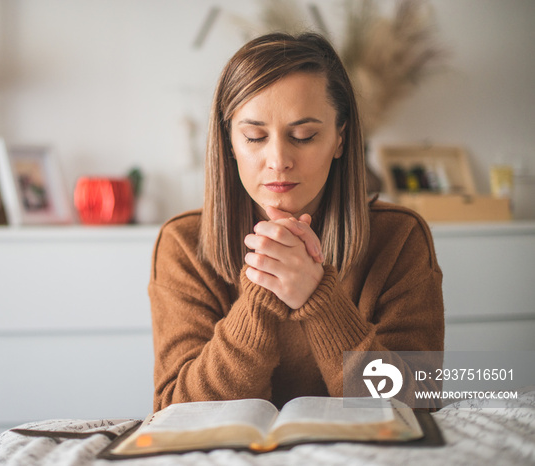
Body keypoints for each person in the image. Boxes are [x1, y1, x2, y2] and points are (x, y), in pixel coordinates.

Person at [149, 32, 444, 412]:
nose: (278, 159)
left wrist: (319, 298)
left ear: (340, 138)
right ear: (229, 142)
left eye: (304, 136)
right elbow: (176, 410)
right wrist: (261, 291)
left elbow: (416, 404)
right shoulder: (184, 244)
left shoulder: (400, 237)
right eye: (255, 137)